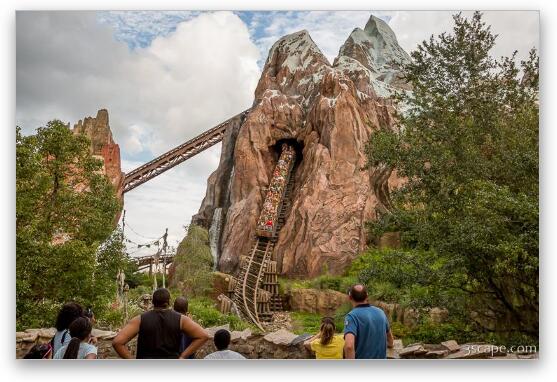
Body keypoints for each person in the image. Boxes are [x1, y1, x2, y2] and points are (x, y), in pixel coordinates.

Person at [112, 288, 209, 359]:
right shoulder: (181, 319)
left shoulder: (140, 319)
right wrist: (183, 357)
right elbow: (203, 336)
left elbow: (117, 342)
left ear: (153, 302)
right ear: (169, 302)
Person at [343, 284, 394, 359]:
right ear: (367, 296)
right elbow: (390, 338)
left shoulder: (351, 317)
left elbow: (349, 346)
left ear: (350, 297)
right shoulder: (380, 312)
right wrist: (390, 345)